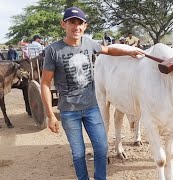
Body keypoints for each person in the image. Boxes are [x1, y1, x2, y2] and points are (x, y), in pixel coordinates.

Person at [40, 7, 143, 180]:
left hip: (91, 107)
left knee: (102, 147)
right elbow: (44, 83)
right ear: (63, 24)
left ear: (85, 26)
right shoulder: (53, 50)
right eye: (72, 22)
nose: (76, 27)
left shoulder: (88, 43)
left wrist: (130, 51)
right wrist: (50, 115)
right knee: (79, 152)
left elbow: (109, 50)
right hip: (69, 111)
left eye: (79, 23)